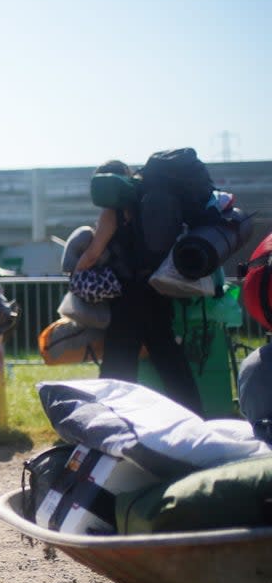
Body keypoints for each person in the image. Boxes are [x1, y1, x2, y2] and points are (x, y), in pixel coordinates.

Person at [75, 160, 203, 413]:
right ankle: (195, 418)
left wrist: (76, 271)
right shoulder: (150, 204)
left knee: (118, 365)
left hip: (128, 294)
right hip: (158, 288)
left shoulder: (113, 211)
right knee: (169, 359)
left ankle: (108, 420)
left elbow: (93, 253)